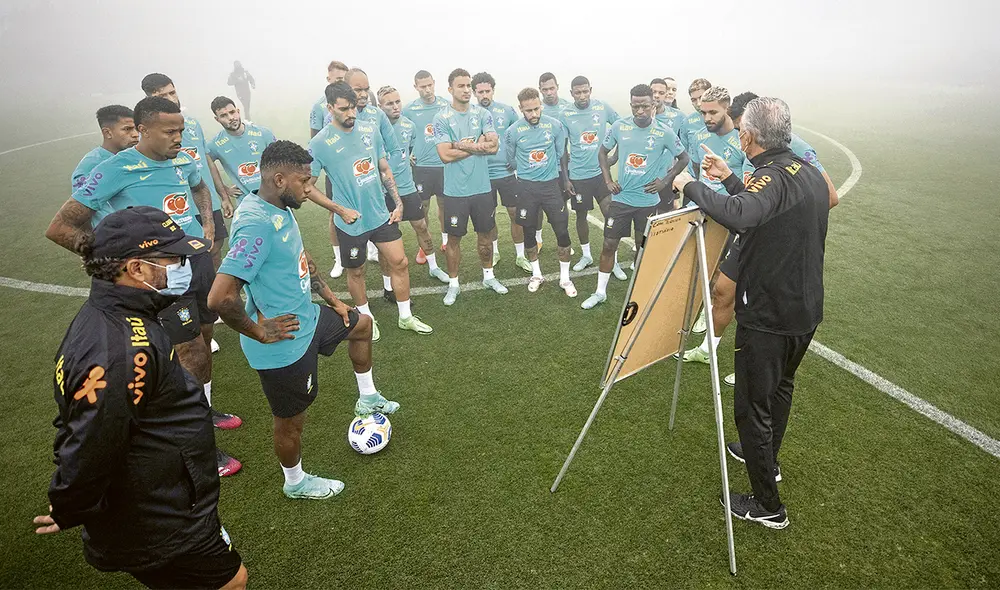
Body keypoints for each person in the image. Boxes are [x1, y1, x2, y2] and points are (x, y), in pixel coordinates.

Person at [35, 206, 247, 589]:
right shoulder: (121, 348)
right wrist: (72, 501)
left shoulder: (122, 316)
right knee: (231, 582)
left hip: (165, 499)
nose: (184, 266)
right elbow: (93, 438)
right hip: (156, 517)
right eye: (174, 258)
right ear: (137, 269)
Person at [44, 96, 243, 477]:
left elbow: (200, 188)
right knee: (187, 351)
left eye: (182, 130)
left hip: (194, 259)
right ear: (143, 129)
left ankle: (204, 409)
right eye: (170, 131)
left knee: (202, 341)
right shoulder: (115, 168)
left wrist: (207, 225)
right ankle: (200, 445)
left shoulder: (182, 158)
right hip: (157, 275)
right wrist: (113, 262)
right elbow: (61, 226)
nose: (179, 138)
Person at [209, 140, 399, 500]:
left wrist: (333, 299)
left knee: (361, 325)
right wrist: (260, 333)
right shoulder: (254, 223)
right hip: (283, 346)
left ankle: (368, 398)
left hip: (309, 317)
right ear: (280, 179)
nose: (309, 189)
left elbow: (303, 261)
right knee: (291, 422)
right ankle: (295, 482)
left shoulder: (279, 205)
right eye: (305, 182)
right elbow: (220, 298)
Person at [673, 97, 830, 530]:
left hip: (769, 314)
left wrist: (690, 185)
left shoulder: (771, 176)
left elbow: (742, 217)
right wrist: (728, 180)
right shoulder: (807, 171)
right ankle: (768, 459)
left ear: (747, 136)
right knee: (780, 390)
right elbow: (766, 213)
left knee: (752, 408)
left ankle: (768, 505)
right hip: (805, 309)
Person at [681, 91, 839, 387]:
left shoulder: (795, 152)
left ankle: (755, 368)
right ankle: (709, 350)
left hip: (770, 241)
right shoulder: (757, 152)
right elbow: (752, 201)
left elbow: (829, 196)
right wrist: (729, 178)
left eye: (741, 130)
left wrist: (781, 225)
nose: (741, 139)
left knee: (763, 314)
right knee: (724, 289)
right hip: (751, 231)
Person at [308, 82, 433, 339]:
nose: (351, 113)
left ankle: (405, 316)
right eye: (344, 109)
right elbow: (307, 187)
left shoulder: (369, 129)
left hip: (380, 214)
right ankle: (366, 319)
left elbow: (384, 168)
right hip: (350, 221)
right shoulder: (320, 143)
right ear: (330, 108)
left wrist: (397, 202)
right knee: (357, 271)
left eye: (353, 107)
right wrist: (339, 210)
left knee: (400, 261)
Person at [580, 84, 689, 310]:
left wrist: (665, 181)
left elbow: (684, 158)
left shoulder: (664, 132)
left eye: (645, 106)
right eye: (635, 106)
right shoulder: (620, 127)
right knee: (609, 244)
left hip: (648, 201)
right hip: (622, 199)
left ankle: (642, 290)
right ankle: (600, 292)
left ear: (654, 105)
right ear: (631, 104)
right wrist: (608, 180)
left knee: (643, 246)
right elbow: (602, 151)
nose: (640, 111)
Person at [432, 68, 508, 306]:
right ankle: (453, 283)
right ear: (450, 89)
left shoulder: (482, 114)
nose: (466, 90)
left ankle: (489, 276)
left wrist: (461, 145)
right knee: (453, 240)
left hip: (482, 189)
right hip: (455, 192)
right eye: (461, 86)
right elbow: (445, 155)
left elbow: (494, 146)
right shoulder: (441, 118)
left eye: (468, 86)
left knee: (485, 236)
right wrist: (477, 145)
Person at [141, 74, 231, 270]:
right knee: (182, 262)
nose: (172, 99)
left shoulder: (192, 124)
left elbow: (206, 160)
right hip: (178, 207)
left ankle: (212, 297)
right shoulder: (149, 133)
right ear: (151, 99)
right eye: (164, 96)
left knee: (215, 249)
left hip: (207, 202)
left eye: (173, 92)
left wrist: (222, 195)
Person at [505, 87, 575, 297]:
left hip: (551, 186)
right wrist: (528, 171)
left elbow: (560, 153)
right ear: (521, 109)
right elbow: (511, 160)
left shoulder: (554, 126)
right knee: (528, 231)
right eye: (528, 110)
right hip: (527, 189)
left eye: (536, 109)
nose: (533, 114)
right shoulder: (513, 132)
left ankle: (565, 278)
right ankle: (536, 274)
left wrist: (565, 180)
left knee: (561, 230)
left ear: (541, 105)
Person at [377, 84, 450, 283]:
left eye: (397, 101)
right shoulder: (374, 129)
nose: (395, 106)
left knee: (421, 226)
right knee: (386, 239)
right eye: (389, 103)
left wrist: (408, 158)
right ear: (379, 106)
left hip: (407, 187)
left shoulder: (409, 125)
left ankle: (433, 267)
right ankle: (387, 284)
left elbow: (407, 150)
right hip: (382, 192)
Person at [557, 75, 621, 271]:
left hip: (600, 174)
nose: (582, 95)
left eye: (585, 91)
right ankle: (586, 255)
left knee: (609, 213)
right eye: (578, 92)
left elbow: (622, 129)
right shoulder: (565, 114)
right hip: (578, 175)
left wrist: (615, 157)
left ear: (590, 90)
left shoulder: (602, 107)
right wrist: (566, 179)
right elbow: (562, 149)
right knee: (581, 216)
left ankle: (614, 260)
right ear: (571, 93)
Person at [472, 71, 530, 272]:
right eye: (480, 92)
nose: (484, 95)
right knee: (489, 216)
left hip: (506, 174)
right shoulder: (470, 114)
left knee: (515, 213)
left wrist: (516, 161)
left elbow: (520, 135)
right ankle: (495, 251)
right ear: (474, 93)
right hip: (482, 176)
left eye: (488, 91)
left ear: (493, 90)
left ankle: (521, 255)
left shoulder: (506, 111)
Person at [403, 70, 450, 262]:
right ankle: (425, 245)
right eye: (423, 86)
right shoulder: (409, 110)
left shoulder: (445, 105)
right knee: (422, 207)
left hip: (444, 164)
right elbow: (399, 133)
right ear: (415, 87)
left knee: (444, 203)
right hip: (421, 166)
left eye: (430, 85)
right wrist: (406, 153)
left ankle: (446, 239)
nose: (427, 90)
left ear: (434, 83)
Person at [308, 60, 349, 278]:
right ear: (329, 79)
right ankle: (339, 259)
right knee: (335, 213)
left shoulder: (356, 101)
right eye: (338, 79)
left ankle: (371, 248)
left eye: (344, 78)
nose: (342, 83)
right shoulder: (318, 106)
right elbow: (314, 139)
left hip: (359, 168)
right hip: (335, 170)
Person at [207, 96, 276, 200]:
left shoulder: (263, 134)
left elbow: (282, 163)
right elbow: (203, 168)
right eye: (224, 115)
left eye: (232, 112)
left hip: (275, 198)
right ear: (217, 119)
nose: (231, 118)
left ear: (238, 111)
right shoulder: (216, 144)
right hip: (247, 204)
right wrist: (224, 190)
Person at [71, 106, 139, 196]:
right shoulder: (91, 165)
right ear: (108, 133)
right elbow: (84, 203)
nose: (135, 134)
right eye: (127, 129)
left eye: (136, 129)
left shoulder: (138, 155)